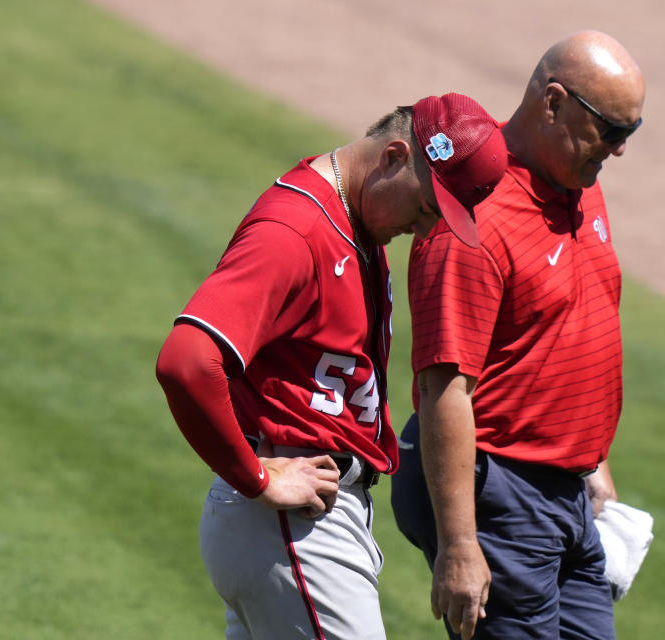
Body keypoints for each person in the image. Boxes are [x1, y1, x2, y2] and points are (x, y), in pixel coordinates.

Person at [155, 93, 507, 640]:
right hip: (289, 526)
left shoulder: (355, 222)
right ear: (393, 157)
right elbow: (187, 360)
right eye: (424, 206)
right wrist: (254, 477)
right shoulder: (294, 232)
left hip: (299, 525)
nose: (423, 227)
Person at [390, 31, 646, 640]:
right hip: (500, 492)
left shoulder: (577, 180)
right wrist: (458, 544)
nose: (617, 151)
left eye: (629, 133)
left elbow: (567, 324)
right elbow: (443, 388)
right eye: (610, 130)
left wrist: (593, 463)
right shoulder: (473, 219)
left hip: (567, 492)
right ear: (553, 103)